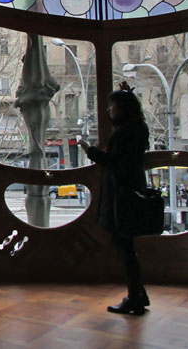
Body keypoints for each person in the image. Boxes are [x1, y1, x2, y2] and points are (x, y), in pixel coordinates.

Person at [78, 82, 151, 316]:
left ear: (122, 109)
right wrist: (130, 92)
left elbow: (115, 162)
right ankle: (139, 293)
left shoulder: (124, 132)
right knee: (126, 245)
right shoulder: (139, 127)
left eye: (112, 106)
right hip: (131, 191)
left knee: (124, 246)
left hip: (121, 194)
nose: (109, 110)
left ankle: (135, 297)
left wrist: (90, 151)